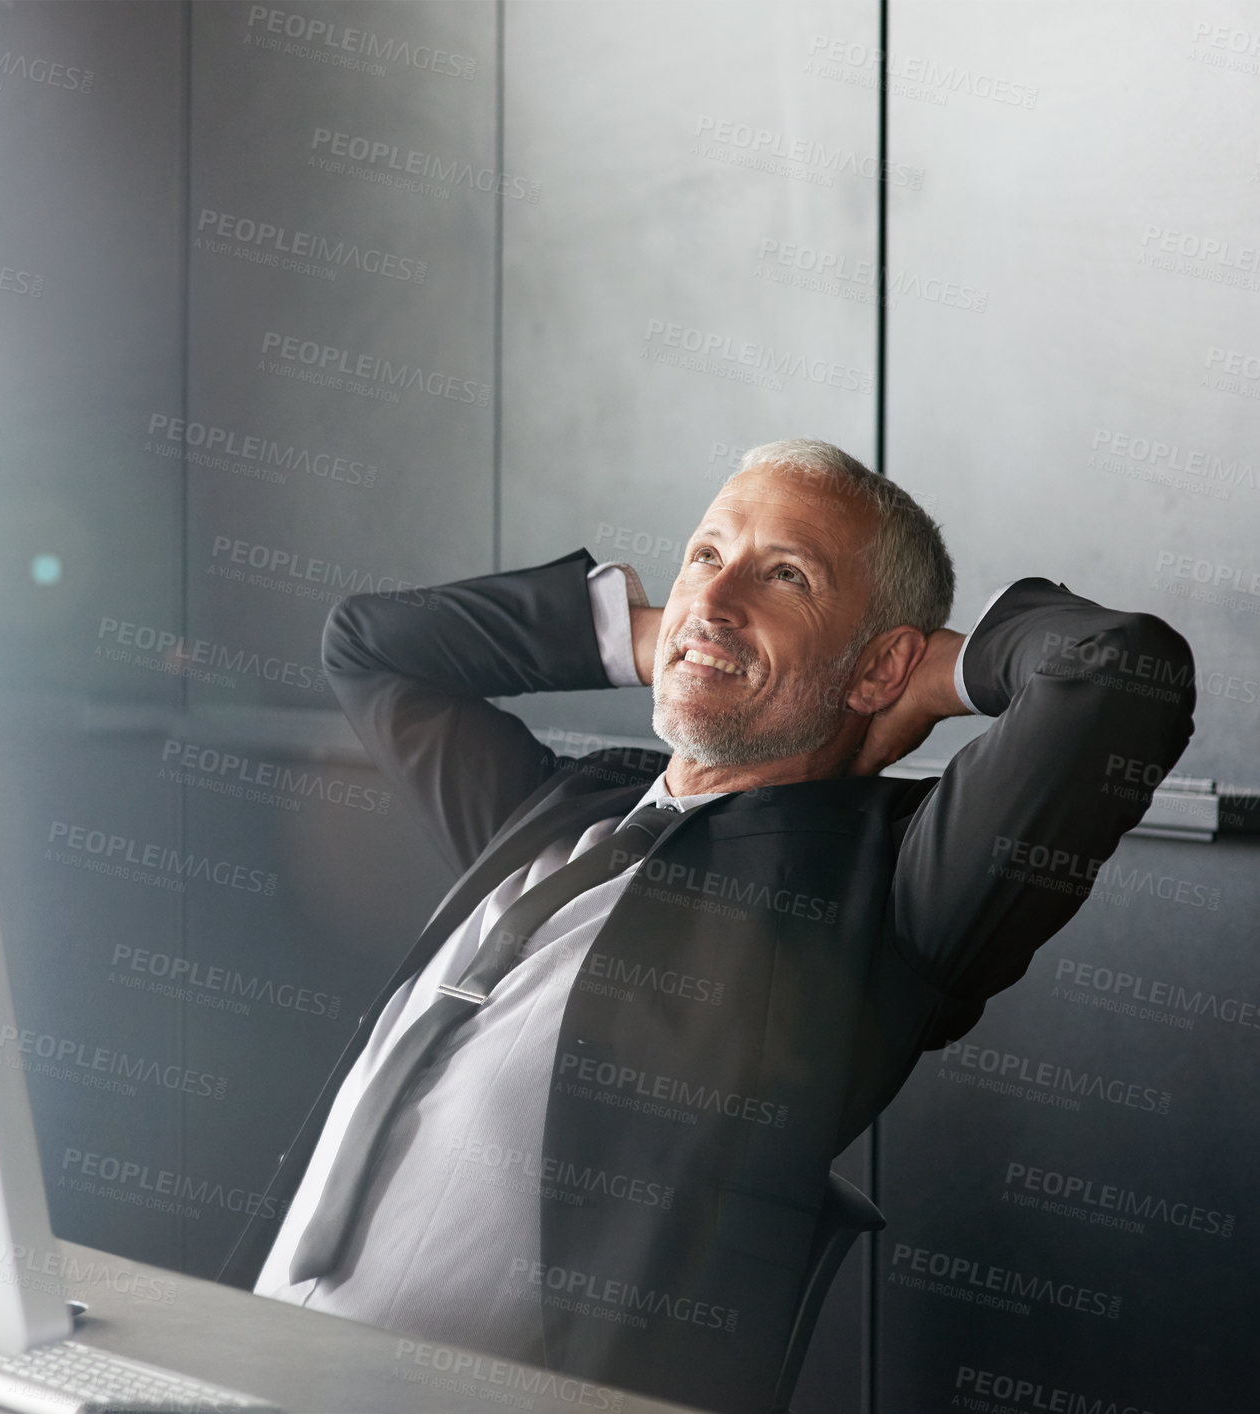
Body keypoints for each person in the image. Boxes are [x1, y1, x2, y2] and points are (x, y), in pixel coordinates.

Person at [244, 439, 1195, 1413]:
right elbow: (369, 643)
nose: (718, 592)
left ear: (879, 665)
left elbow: (1127, 673)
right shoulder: (558, 809)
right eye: (706, 554)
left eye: (787, 575)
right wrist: (674, 633)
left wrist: (928, 672)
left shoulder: (887, 890)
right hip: (250, 1354)